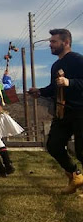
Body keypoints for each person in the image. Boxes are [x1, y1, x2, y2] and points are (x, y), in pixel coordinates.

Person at [29, 29, 83, 195]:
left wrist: (70, 82)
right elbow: (55, 88)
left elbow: (73, 83)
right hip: (61, 112)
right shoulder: (56, 66)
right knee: (53, 145)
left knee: (82, 150)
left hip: (80, 110)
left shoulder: (77, 60)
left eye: (54, 42)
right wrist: (40, 91)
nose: (50, 45)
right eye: (51, 42)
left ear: (66, 43)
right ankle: (76, 176)